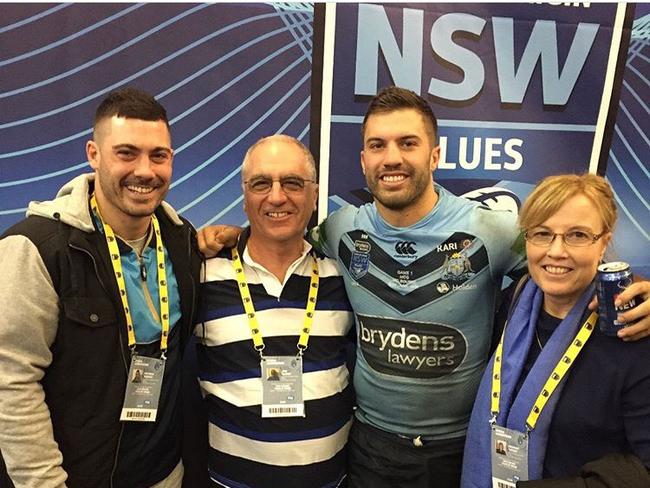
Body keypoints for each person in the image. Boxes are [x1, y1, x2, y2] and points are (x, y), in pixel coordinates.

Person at [198, 87, 650, 488]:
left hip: (457, 449)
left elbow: (562, 258)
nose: (391, 157)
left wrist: (639, 292)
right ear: (363, 160)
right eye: (378, 145)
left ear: (434, 155)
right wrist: (226, 236)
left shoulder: (492, 231)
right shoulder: (338, 230)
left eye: (407, 143)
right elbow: (279, 229)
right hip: (370, 445)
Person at [0, 88, 202, 487]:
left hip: (162, 475)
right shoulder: (37, 248)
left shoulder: (182, 241)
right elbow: (12, 382)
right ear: (94, 154)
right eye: (126, 153)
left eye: (158, 156)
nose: (145, 170)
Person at [462, 174, 650, 488]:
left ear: (603, 241)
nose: (556, 251)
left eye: (577, 235)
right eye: (543, 234)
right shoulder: (512, 305)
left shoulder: (632, 332)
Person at [195, 135, 354, 487]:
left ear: (314, 196)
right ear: (245, 195)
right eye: (261, 184)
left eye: (293, 183)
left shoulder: (343, 276)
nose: (277, 196)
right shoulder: (202, 274)